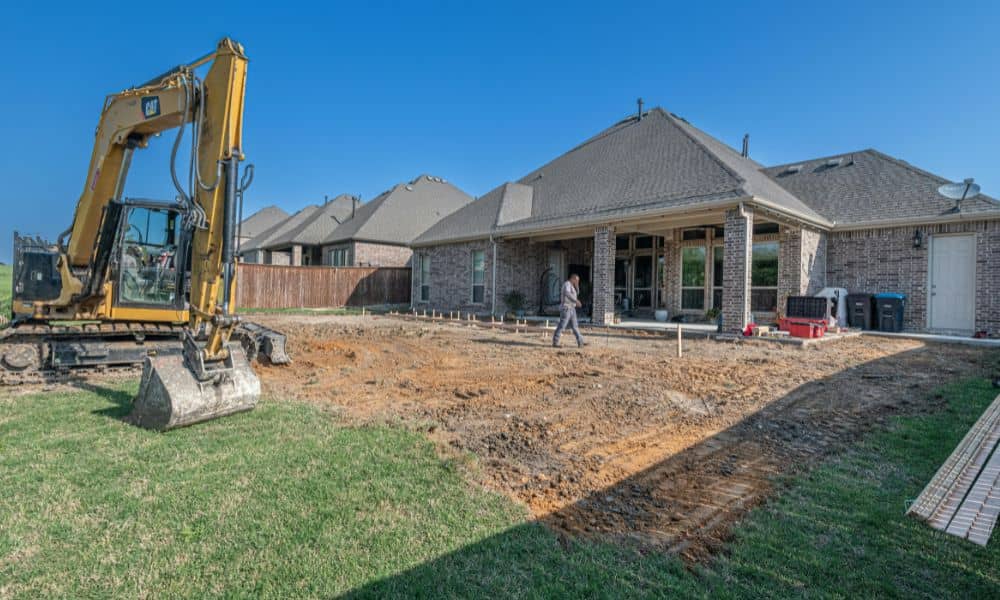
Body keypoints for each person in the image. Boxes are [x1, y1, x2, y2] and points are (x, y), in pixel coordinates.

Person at [553, 274, 586, 348]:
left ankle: (580, 342)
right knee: (562, 325)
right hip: (566, 308)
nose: (577, 282)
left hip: (572, 309)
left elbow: (577, 293)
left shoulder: (572, 286)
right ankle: (555, 342)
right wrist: (576, 301)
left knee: (575, 326)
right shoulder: (567, 284)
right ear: (572, 278)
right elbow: (567, 294)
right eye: (576, 280)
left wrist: (577, 286)